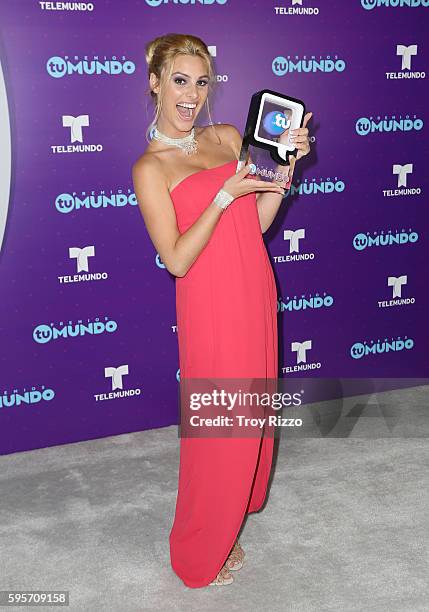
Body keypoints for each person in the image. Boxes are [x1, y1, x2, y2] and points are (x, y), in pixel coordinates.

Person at [132, 33, 311, 588]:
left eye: (201, 81)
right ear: (156, 85)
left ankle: (235, 514)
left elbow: (255, 223)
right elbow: (178, 260)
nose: (191, 94)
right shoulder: (150, 167)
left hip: (254, 287)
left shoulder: (228, 135)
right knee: (218, 429)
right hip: (209, 303)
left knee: (250, 415)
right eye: (180, 81)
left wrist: (284, 168)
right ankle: (201, 541)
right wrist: (221, 196)